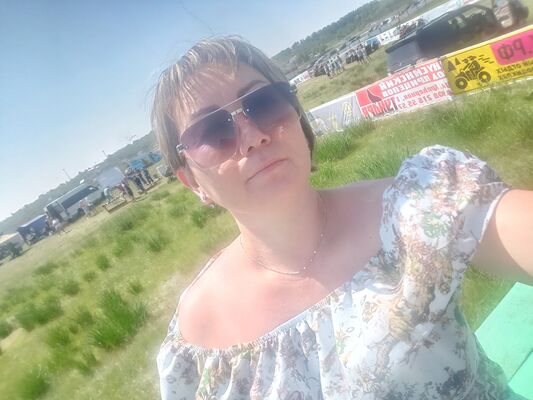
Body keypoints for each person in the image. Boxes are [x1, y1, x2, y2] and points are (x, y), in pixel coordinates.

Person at [152, 37, 532, 399]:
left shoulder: (411, 206)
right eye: (212, 131)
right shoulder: (196, 335)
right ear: (192, 182)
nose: (252, 137)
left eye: (263, 103)